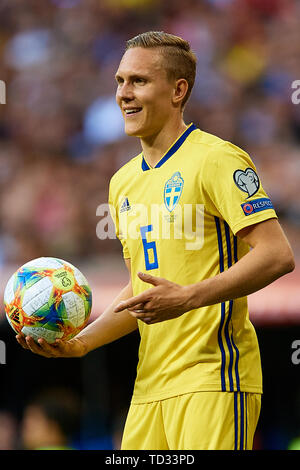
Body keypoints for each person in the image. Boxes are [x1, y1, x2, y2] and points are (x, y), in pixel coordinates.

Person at [16, 31, 295, 450]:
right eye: (119, 81)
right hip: (148, 389)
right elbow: (142, 290)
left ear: (178, 90)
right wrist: (82, 343)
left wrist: (190, 297)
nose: (123, 94)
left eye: (139, 81)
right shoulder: (122, 183)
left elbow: (277, 255)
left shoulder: (217, 160)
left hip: (214, 380)